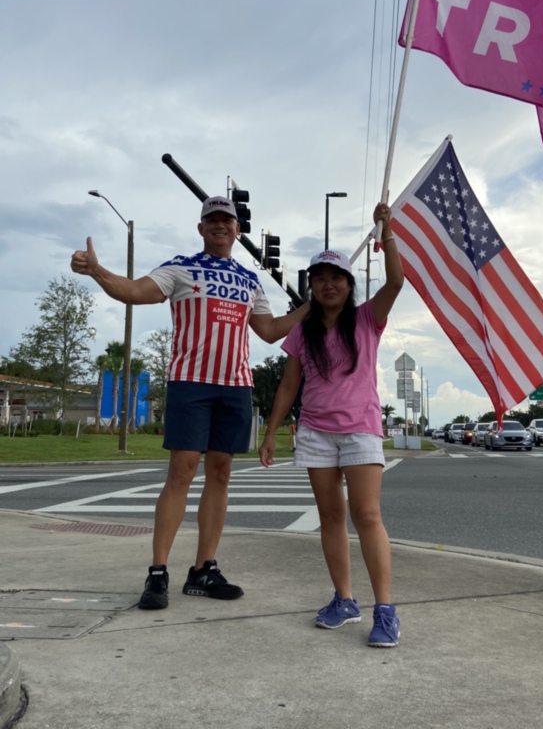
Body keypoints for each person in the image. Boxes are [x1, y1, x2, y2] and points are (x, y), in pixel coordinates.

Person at [71, 195, 308, 610]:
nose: (220, 225)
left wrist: (308, 309)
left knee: (220, 474)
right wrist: (98, 272)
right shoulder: (180, 268)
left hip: (235, 385)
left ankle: (203, 570)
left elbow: (269, 331)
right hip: (190, 382)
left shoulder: (250, 280)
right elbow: (133, 291)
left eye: (227, 220)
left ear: (238, 229)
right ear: (201, 228)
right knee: (180, 472)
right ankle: (158, 573)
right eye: (211, 220)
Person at [259, 203, 404, 647]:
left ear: (349, 284)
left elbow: (396, 281)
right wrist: (269, 432)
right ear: (311, 286)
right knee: (330, 516)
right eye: (320, 278)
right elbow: (288, 386)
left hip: (360, 428)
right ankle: (344, 599)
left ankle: (385, 610)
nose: (328, 284)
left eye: (337, 277)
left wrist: (388, 233)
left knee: (367, 515)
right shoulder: (302, 331)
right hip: (316, 433)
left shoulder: (366, 320)